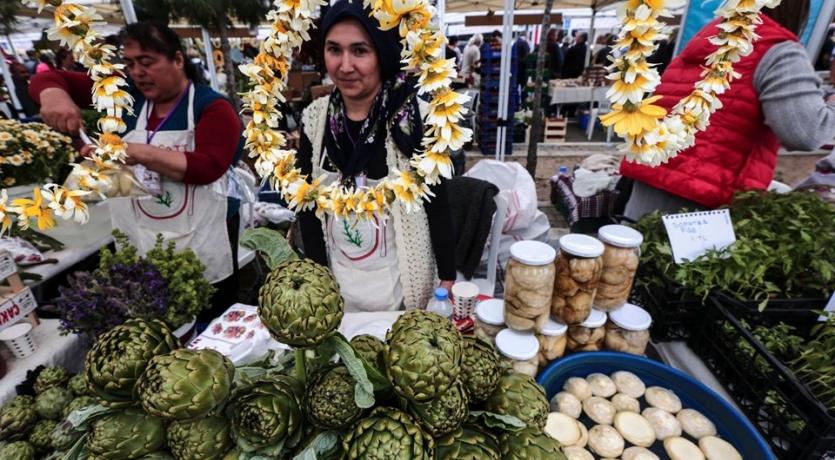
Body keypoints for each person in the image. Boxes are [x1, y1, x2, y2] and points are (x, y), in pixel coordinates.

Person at [30, 21, 244, 322]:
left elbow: (208, 167)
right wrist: (54, 95)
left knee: (210, 316)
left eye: (147, 62)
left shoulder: (212, 107)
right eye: (129, 63)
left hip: (202, 236)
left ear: (178, 60)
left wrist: (136, 153)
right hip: (140, 231)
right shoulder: (125, 96)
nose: (137, 72)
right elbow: (50, 79)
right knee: (156, 317)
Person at [295, 0, 456, 312]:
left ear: (382, 52)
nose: (344, 66)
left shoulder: (414, 119)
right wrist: (319, 278)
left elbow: (438, 205)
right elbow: (307, 205)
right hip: (339, 287)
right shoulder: (315, 121)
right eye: (334, 49)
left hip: (403, 290)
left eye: (360, 50)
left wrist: (447, 277)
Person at [621, 0, 835, 219]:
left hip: (647, 194)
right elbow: (807, 133)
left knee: (636, 251)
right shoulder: (778, 49)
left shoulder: (710, 39)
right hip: (701, 210)